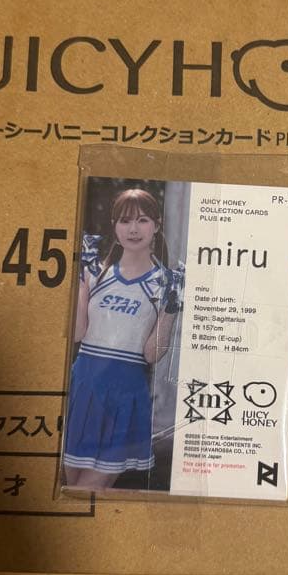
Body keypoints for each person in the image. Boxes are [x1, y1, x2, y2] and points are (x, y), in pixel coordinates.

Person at [63, 187, 182, 491]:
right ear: (114, 227)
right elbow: (76, 334)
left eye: (142, 220)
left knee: (84, 492)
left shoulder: (165, 282)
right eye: (125, 221)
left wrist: (171, 309)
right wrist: (80, 283)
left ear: (156, 225)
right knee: (71, 488)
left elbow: (151, 354)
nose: (133, 229)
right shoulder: (96, 273)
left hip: (124, 397)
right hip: (83, 391)